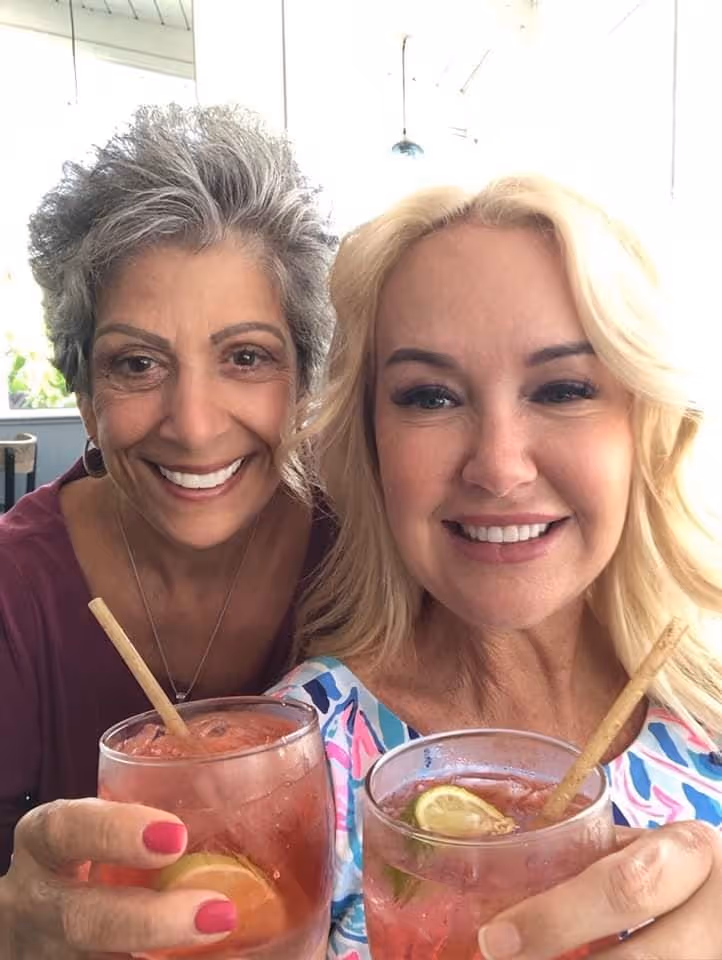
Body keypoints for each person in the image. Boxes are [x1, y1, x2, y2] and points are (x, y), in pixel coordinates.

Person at [273, 176, 722, 958]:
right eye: (430, 398)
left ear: (642, 423)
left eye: (564, 388)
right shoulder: (299, 763)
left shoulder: (707, 697)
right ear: (372, 446)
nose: (499, 466)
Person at [0, 103, 335, 956]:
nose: (192, 424)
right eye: (138, 364)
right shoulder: (16, 594)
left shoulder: (367, 561)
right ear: (85, 397)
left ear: (301, 385)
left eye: (247, 357)